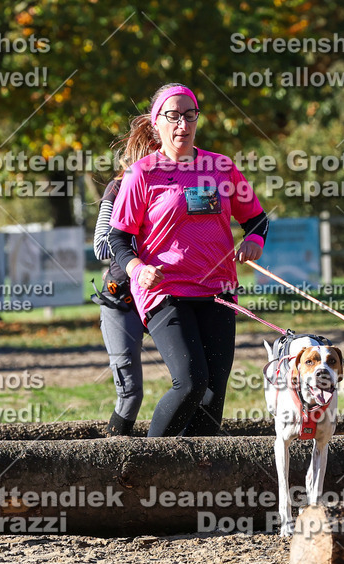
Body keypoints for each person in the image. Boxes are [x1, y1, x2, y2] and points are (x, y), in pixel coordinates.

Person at [107, 83, 269, 437]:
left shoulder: (221, 167)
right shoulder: (143, 174)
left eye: (190, 115)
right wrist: (137, 268)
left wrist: (254, 239)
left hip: (218, 289)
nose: (183, 123)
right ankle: (146, 465)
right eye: (173, 116)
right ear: (156, 124)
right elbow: (117, 237)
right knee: (192, 381)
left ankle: (195, 480)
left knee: (214, 395)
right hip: (167, 289)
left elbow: (257, 218)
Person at [91, 119, 153, 436]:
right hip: (122, 300)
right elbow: (102, 245)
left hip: (165, 298)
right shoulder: (117, 188)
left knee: (193, 380)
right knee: (131, 393)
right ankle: (114, 450)